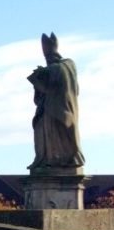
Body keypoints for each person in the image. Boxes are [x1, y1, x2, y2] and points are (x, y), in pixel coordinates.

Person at [27, 33, 84, 170]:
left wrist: (45, 72)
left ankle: (62, 159)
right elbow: (41, 94)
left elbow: (60, 75)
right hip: (47, 109)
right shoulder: (56, 68)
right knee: (42, 130)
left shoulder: (67, 64)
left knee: (60, 133)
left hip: (62, 109)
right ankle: (47, 159)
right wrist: (39, 79)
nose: (48, 60)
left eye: (49, 57)